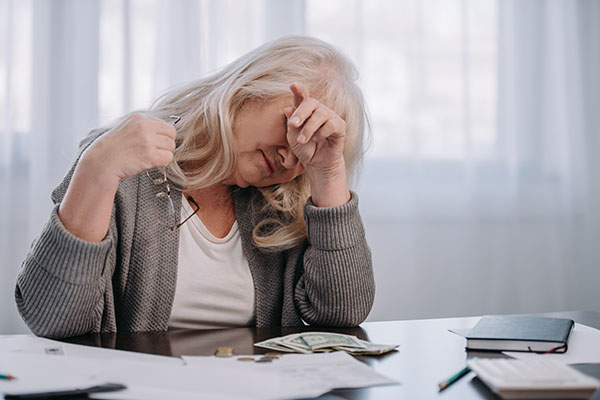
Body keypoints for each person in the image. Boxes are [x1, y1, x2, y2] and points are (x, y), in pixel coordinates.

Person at [15, 36, 374, 339]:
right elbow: (52, 319)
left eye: (312, 142)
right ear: (248, 90)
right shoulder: (122, 159)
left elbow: (343, 315)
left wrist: (327, 174)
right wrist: (95, 171)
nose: (290, 156)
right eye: (295, 122)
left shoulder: (285, 204)